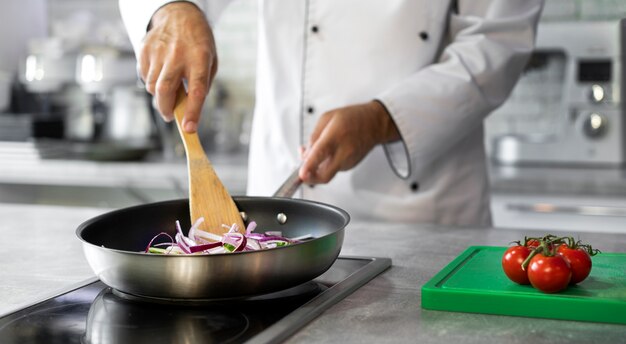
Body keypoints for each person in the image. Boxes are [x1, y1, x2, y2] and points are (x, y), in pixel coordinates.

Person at [119, 0, 544, 225]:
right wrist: (172, 8)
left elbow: (497, 42)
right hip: (279, 202)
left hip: (417, 214)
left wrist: (383, 119)